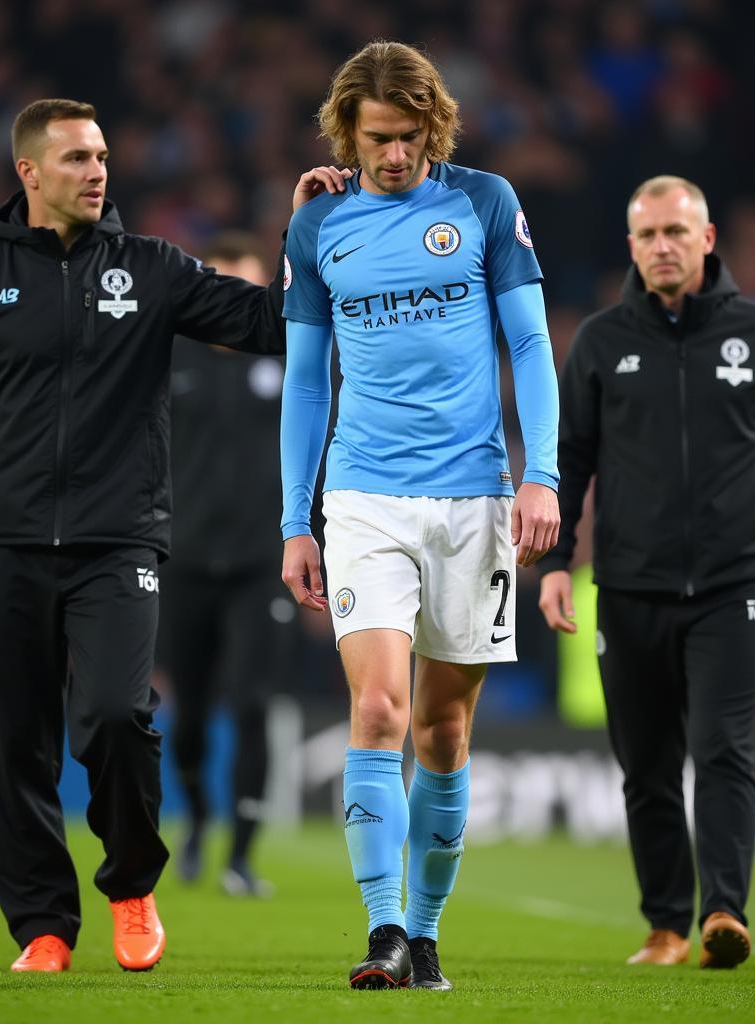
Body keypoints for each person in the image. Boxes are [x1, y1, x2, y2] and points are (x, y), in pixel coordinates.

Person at [0, 98, 322, 974]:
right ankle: (44, 926)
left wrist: (305, 237)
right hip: (1, 540)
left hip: (118, 540)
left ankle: (130, 887)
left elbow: (267, 322)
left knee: (119, 713)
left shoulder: (153, 268)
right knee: (14, 744)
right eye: (78, 157)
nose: (97, 171)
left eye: (103, 156)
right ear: (29, 173)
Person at [280, 42, 561, 990]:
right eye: (375, 139)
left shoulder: (484, 203)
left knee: (442, 734)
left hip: (474, 496)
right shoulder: (318, 225)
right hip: (363, 499)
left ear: (431, 128)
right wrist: (296, 519)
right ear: (347, 134)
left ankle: (428, 933)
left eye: (406, 138)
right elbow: (306, 385)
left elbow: (528, 342)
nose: (392, 156)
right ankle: (383, 930)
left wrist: (543, 475)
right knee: (378, 707)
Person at [537, 175, 755, 969]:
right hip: (630, 584)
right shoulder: (603, 342)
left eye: (676, 231)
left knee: (722, 747)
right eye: (647, 235)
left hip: (735, 581)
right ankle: (667, 924)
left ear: (708, 239)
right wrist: (554, 562)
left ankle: (725, 913)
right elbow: (569, 460)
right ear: (632, 247)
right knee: (644, 764)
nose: (662, 247)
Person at [156, 232, 295, 898]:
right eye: (223, 286)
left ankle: (240, 854)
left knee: (252, 703)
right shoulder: (170, 356)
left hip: (258, 564)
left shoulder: (289, 355)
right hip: (181, 562)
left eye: (248, 286)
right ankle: (198, 816)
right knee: (187, 715)